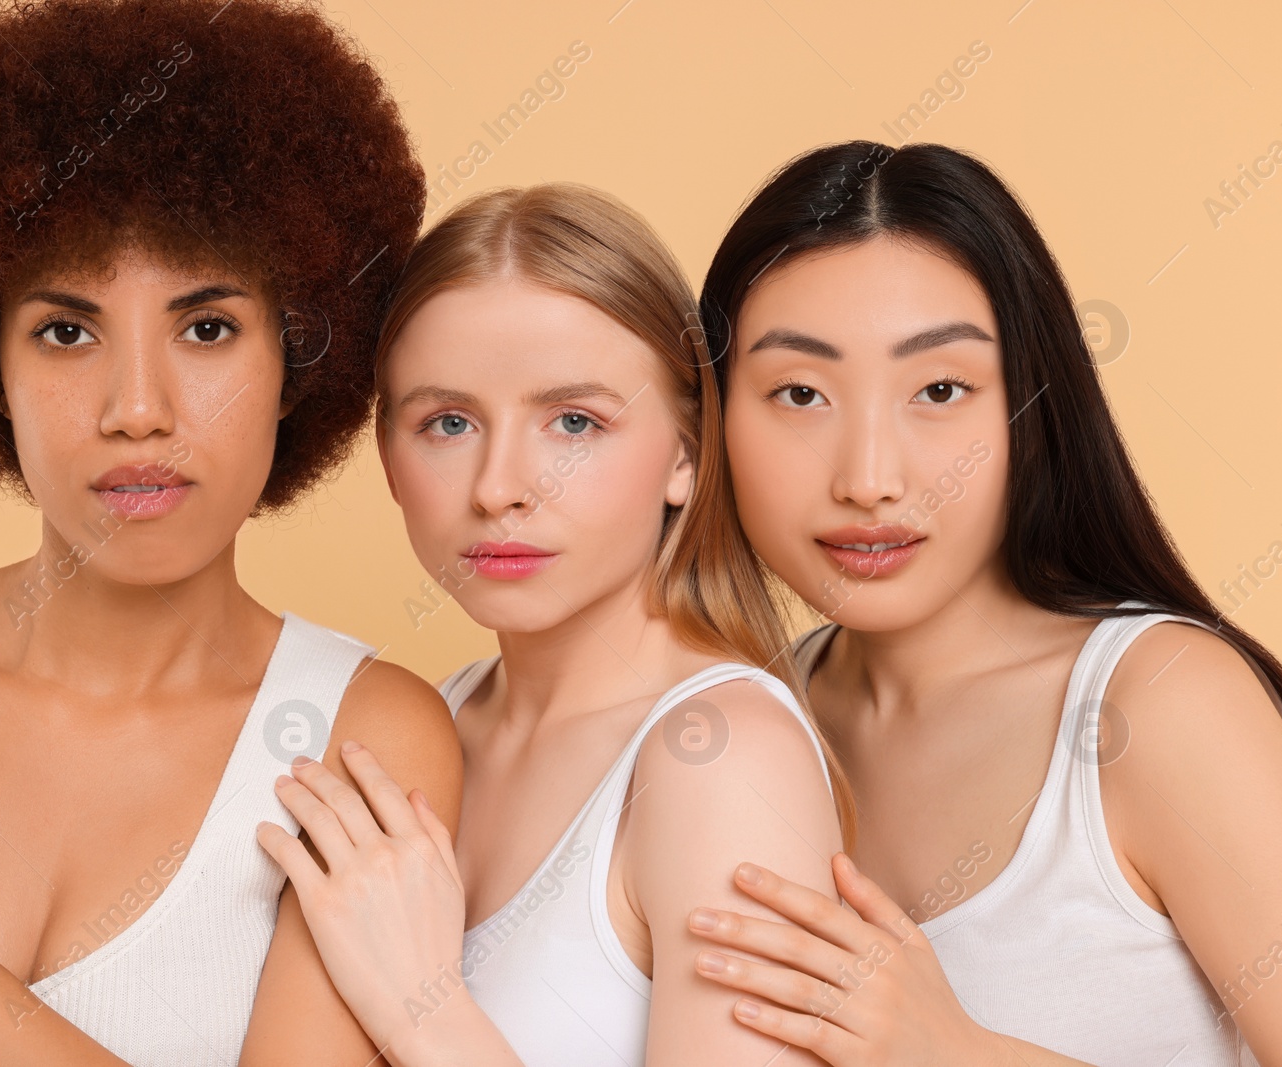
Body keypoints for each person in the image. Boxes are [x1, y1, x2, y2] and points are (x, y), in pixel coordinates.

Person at [0, 1, 459, 1064]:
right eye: (65, 330)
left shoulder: (362, 738)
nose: (136, 407)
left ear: (299, 356)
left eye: (205, 328)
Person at [685, 140, 1282, 1065]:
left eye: (939, 389)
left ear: (1032, 408)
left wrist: (956, 1051)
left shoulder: (1159, 705)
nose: (869, 478)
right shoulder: (746, 715)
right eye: (801, 393)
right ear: (712, 419)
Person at [255, 181, 853, 1066]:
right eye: (448, 422)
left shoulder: (721, 755)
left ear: (686, 456)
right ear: (387, 458)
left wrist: (424, 1013)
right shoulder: (430, 724)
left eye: (574, 421)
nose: (500, 486)